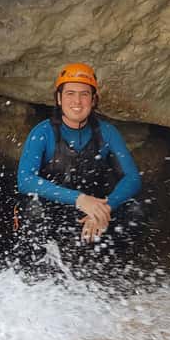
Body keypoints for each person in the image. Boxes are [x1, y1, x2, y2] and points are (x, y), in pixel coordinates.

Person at [14, 62, 142, 252]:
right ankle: (35, 275)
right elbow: (25, 180)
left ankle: (113, 274)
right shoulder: (42, 132)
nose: (77, 101)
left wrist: (105, 208)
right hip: (52, 211)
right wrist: (79, 199)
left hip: (90, 213)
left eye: (84, 94)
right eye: (70, 94)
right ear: (59, 98)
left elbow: (132, 178)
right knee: (33, 209)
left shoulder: (107, 132)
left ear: (93, 100)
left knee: (135, 210)